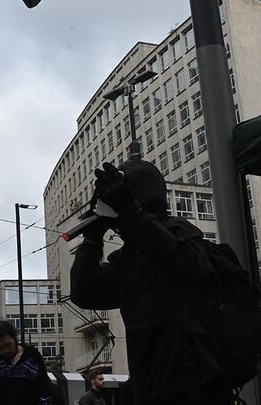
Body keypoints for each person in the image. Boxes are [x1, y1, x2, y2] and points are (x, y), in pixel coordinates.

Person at [70, 160, 230, 405]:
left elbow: (183, 266)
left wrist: (131, 212)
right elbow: (84, 294)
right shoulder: (128, 258)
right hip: (149, 386)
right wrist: (92, 239)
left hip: (192, 386)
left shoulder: (179, 232)